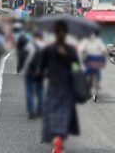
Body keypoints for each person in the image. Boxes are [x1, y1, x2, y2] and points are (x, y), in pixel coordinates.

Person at [39, 20, 80, 152]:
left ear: (55, 33)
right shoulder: (71, 50)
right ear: (66, 34)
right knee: (64, 115)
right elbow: (76, 68)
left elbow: (41, 68)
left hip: (53, 87)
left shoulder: (49, 49)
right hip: (67, 87)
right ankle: (59, 140)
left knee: (53, 115)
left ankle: (55, 140)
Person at [21, 31, 45, 119]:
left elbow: (23, 58)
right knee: (40, 90)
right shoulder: (45, 46)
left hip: (29, 71)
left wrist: (21, 68)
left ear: (34, 37)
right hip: (40, 72)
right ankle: (41, 109)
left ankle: (31, 112)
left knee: (30, 90)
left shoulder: (29, 45)